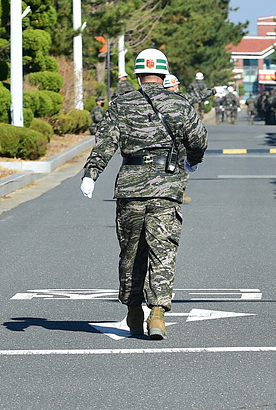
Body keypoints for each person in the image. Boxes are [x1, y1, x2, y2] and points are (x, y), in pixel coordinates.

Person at [80, 49, 208, 340]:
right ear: (164, 73)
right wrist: (193, 160)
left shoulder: (121, 104)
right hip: (167, 187)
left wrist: (91, 173)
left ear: (137, 74)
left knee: (131, 252)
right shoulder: (180, 103)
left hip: (130, 187)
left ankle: (134, 308)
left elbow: (105, 142)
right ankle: (159, 313)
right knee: (162, 251)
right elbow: (198, 139)